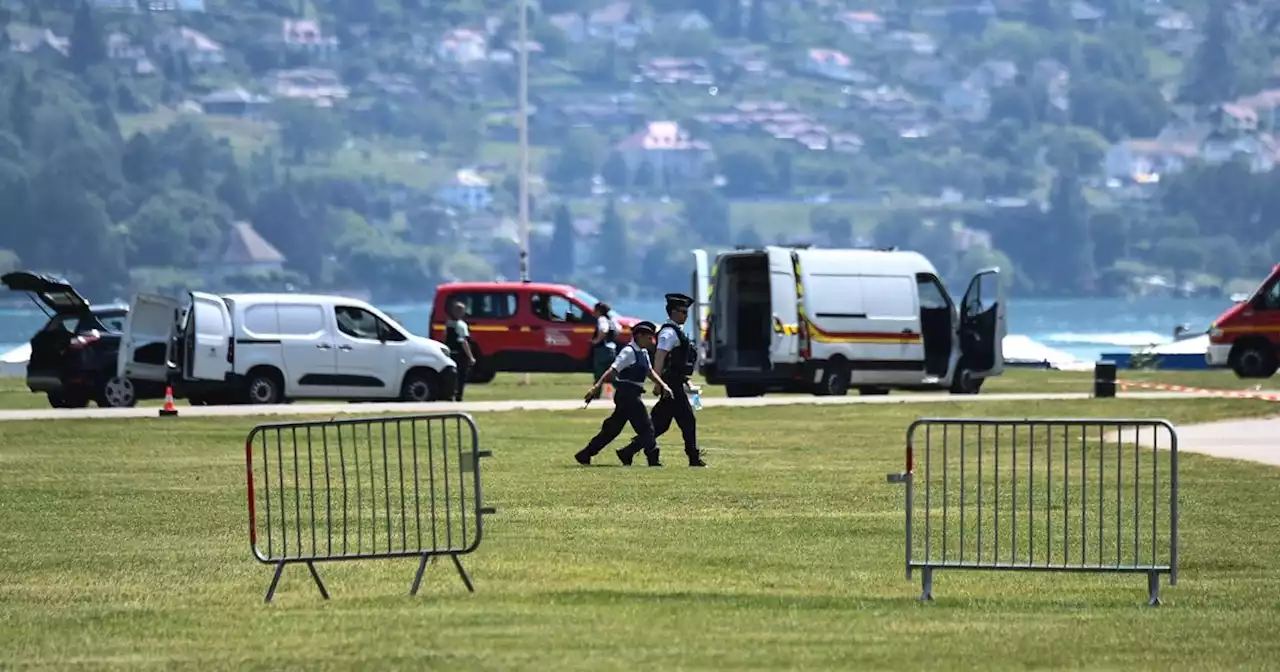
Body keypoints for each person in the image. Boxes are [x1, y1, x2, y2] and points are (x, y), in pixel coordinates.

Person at [617, 293, 707, 468]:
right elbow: (660, 356)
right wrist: (659, 384)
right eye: (682, 312)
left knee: (660, 425)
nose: (685, 315)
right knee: (687, 420)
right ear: (673, 312)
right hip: (671, 384)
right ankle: (693, 458)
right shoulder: (668, 333)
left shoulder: (676, 332)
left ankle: (628, 451)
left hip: (675, 382)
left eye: (686, 312)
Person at [574, 321, 672, 466]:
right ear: (639, 336)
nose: (652, 341)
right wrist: (596, 388)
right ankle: (652, 459)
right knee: (647, 428)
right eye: (649, 337)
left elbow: (649, 372)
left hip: (633, 395)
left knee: (612, 429)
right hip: (628, 395)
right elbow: (612, 371)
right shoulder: (628, 352)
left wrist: (662, 385)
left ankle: (586, 454)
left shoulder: (643, 352)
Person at [443, 301, 476, 401]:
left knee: (452, 375)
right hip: (460, 355)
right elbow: (463, 342)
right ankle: (458, 397)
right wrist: (470, 357)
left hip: (450, 353)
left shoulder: (448, 323)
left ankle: (450, 394)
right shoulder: (461, 325)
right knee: (461, 376)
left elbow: (445, 337)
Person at [589, 302, 620, 400]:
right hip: (612, 349)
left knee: (599, 374)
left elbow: (603, 330)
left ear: (599, 311)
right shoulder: (612, 320)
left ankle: (595, 396)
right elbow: (619, 329)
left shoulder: (602, 319)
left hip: (602, 350)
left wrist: (597, 340)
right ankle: (624, 391)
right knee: (613, 374)